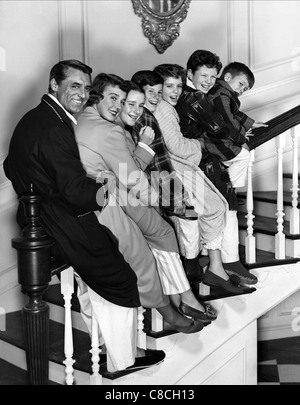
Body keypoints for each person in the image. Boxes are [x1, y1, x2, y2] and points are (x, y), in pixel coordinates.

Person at [3, 59, 165, 373]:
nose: (81, 93)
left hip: (40, 217)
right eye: (74, 85)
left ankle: (104, 348)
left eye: (86, 87)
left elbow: (10, 167)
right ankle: (122, 360)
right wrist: (108, 185)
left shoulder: (35, 118)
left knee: (91, 283)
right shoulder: (55, 127)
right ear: (54, 84)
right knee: (120, 277)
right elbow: (78, 191)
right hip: (64, 221)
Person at [74, 72, 214, 330]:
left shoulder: (85, 119)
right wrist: (158, 200)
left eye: (124, 100)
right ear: (98, 96)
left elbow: (125, 168)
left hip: (105, 195)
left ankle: (181, 300)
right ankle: (178, 305)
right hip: (109, 198)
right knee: (159, 237)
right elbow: (131, 176)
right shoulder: (108, 130)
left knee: (162, 236)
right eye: (115, 99)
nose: (121, 106)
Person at [130, 70, 250, 294]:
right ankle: (203, 270)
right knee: (204, 213)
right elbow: (175, 148)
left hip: (173, 174)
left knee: (208, 212)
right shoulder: (162, 111)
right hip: (173, 175)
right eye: (167, 87)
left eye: (177, 86)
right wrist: (201, 144)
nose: (172, 92)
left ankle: (209, 269)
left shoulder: (160, 108)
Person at [175, 50, 258, 286]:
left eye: (213, 77)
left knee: (226, 202)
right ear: (190, 73)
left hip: (200, 157)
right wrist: (240, 135)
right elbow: (218, 127)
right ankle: (222, 261)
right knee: (220, 206)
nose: (209, 82)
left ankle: (225, 260)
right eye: (204, 76)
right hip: (193, 160)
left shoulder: (198, 95)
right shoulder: (192, 98)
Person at [207, 61, 268, 188]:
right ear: (228, 77)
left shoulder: (225, 95)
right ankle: (224, 189)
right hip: (214, 140)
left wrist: (251, 124)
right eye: (241, 84)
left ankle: (226, 188)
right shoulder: (221, 95)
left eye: (244, 89)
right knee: (244, 156)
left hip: (219, 137)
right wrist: (242, 137)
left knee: (237, 159)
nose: (241, 90)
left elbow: (235, 114)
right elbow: (228, 119)